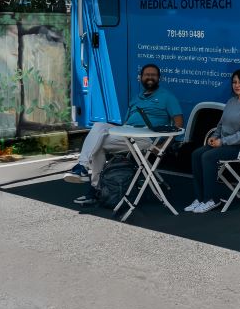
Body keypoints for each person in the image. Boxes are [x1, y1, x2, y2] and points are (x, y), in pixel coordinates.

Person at [65, 63, 183, 205]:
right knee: (98, 128)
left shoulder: (167, 97)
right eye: (147, 75)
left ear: (159, 78)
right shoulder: (136, 97)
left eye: (153, 75)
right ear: (140, 78)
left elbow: (178, 124)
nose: (150, 77)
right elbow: (126, 122)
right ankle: (90, 178)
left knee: (98, 142)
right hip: (128, 133)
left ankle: (90, 183)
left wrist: (163, 145)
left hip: (145, 138)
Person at [185, 69, 240, 214]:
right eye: (234, 82)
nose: (237, 85)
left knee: (208, 157)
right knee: (196, 154)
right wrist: (215, 136)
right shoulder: (231, 101)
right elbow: (221, 125)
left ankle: (212, 199)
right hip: (227, 143)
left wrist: (222, 142)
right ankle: (201, 198)